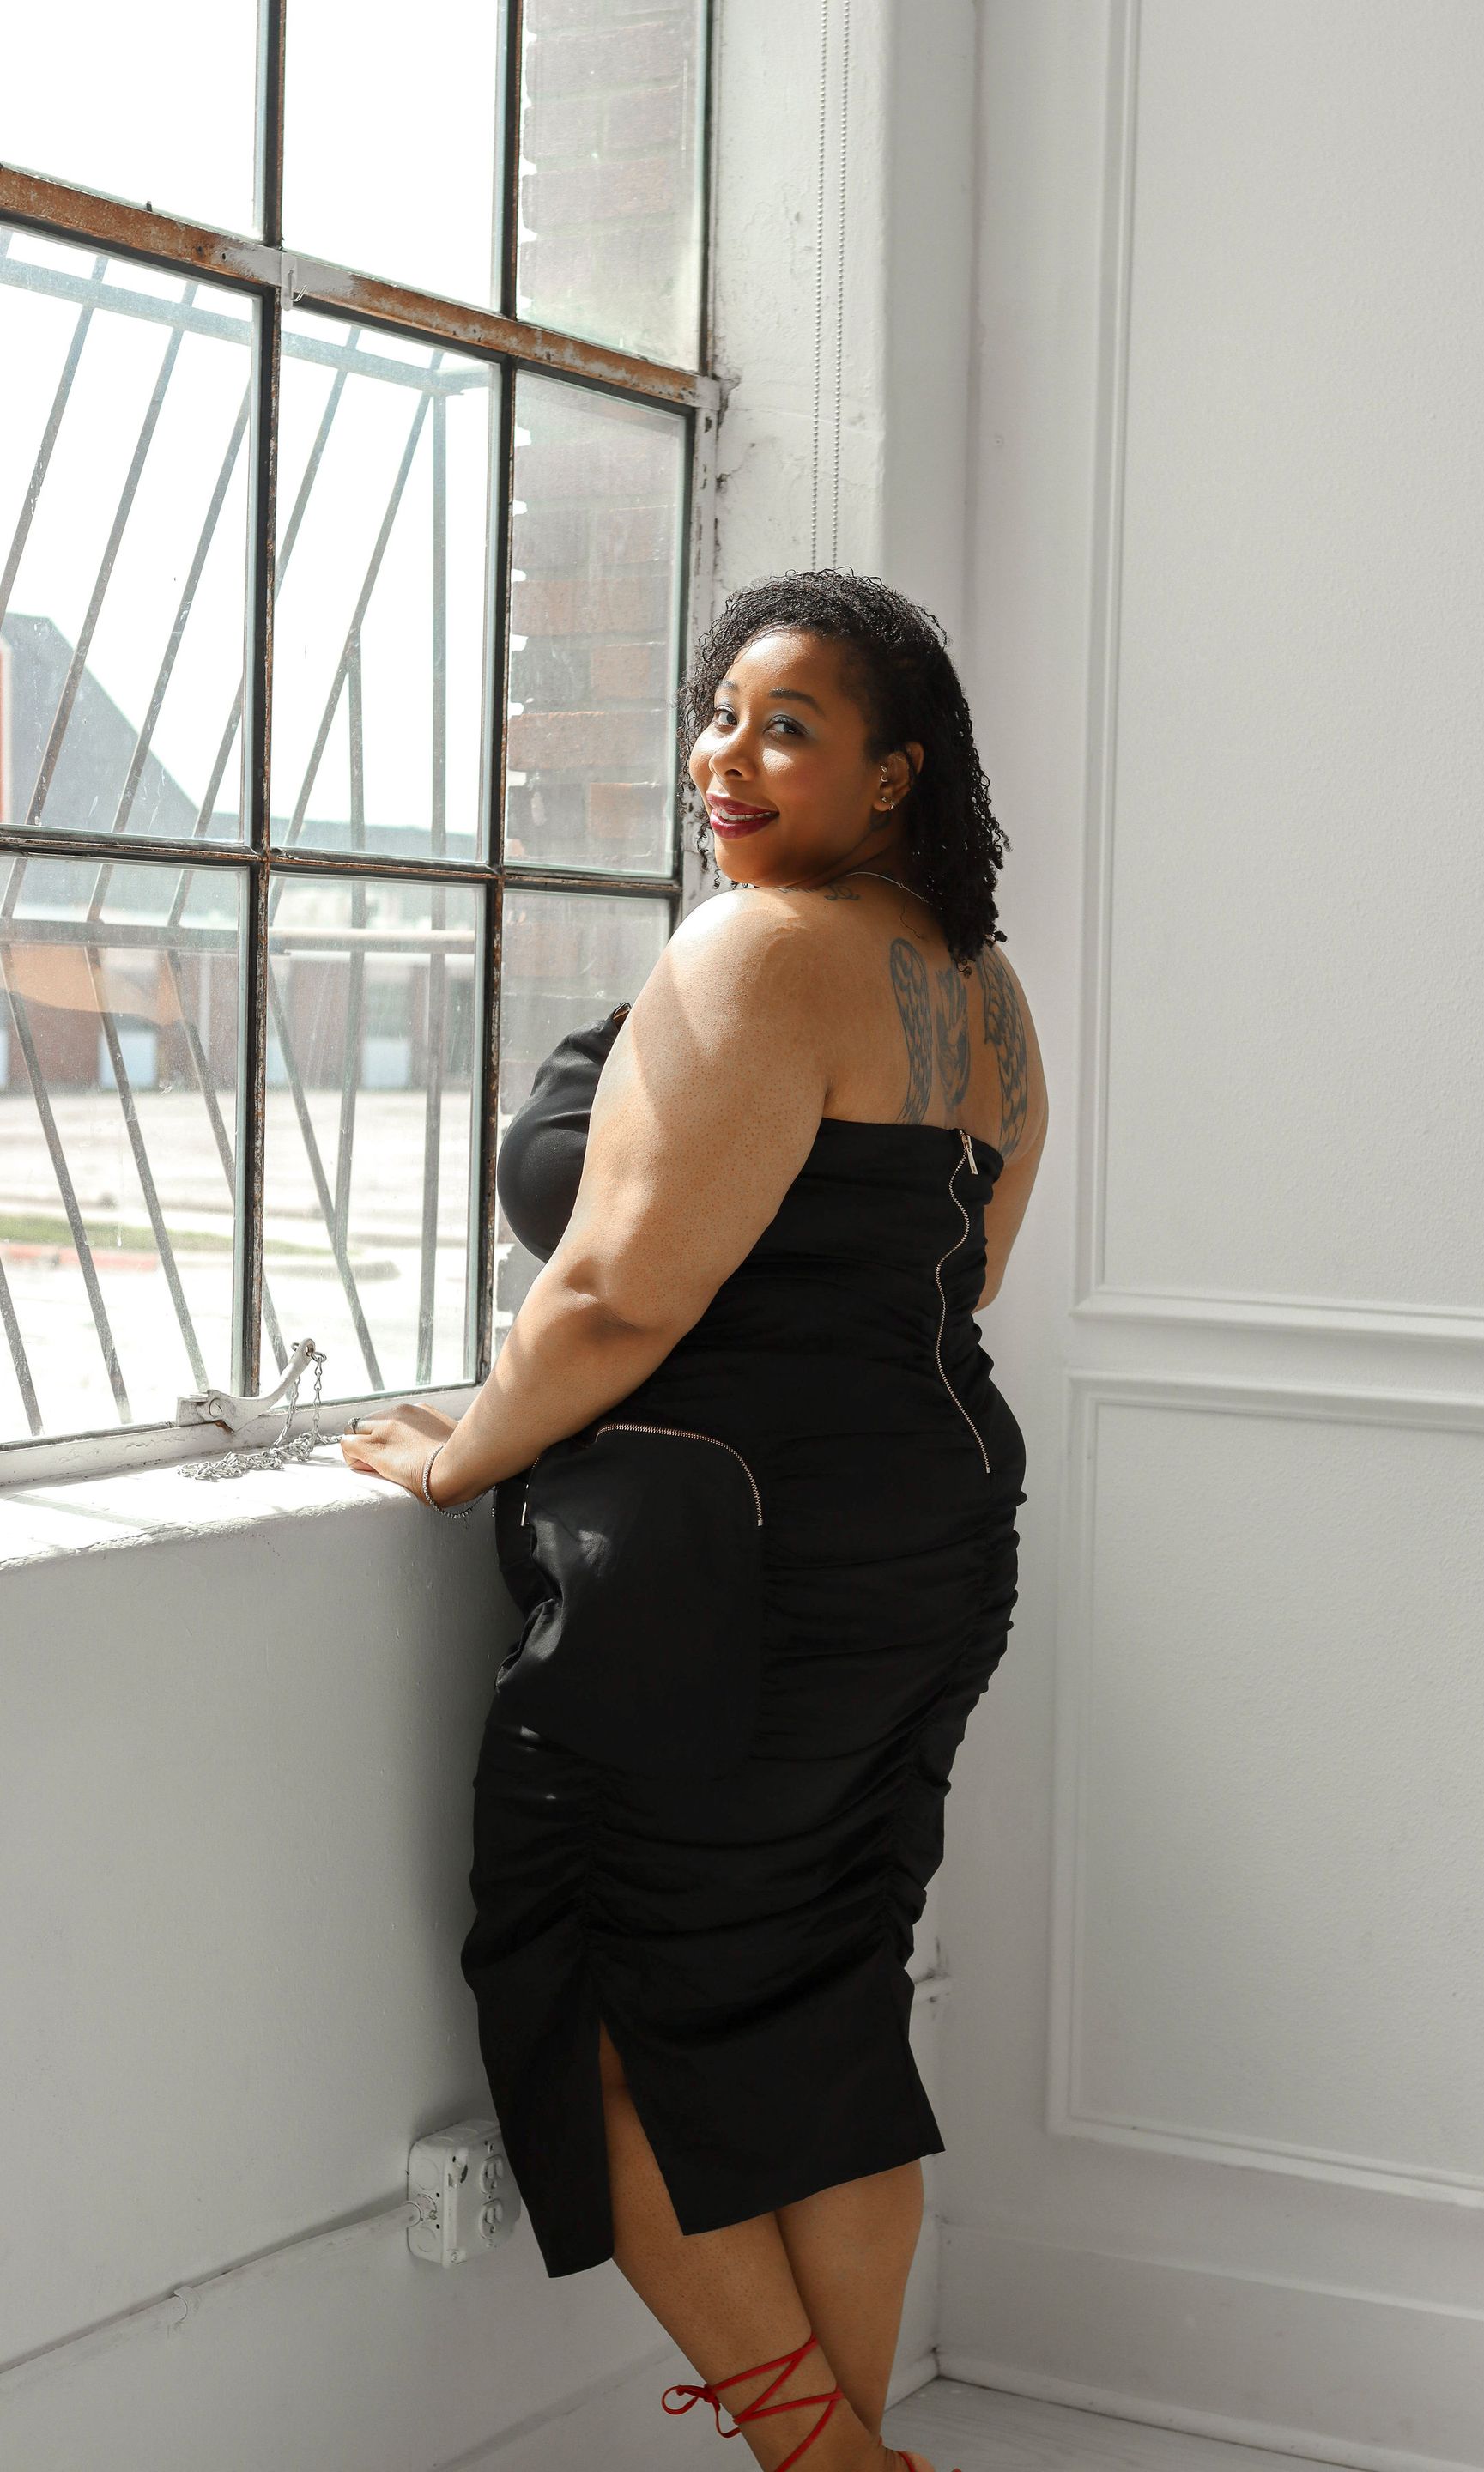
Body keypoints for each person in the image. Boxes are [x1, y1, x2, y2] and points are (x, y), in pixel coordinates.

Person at [342, 569, 1047, 2472]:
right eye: (719, 714)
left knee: (605, 2011)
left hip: (733, 1572)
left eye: (787, 726)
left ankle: (834, 2471)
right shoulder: (978, 992)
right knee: (829, 2018)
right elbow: (963, 1273)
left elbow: (611, 1298)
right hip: (930, 1544)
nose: (727, 755)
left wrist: (458, 1458)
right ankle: (856, 2462)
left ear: (896, 774)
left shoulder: (759, 949)